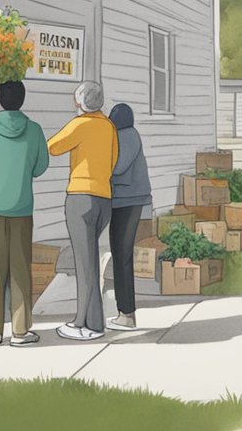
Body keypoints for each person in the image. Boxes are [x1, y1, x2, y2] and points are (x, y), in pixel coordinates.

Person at [0, 80, 49, 346]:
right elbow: (41, 167)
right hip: (21, 207)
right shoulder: (35, 130)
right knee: (19, 269)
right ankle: (20, 331)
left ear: (0, 100)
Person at [47, 80, 118, 341]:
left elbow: (52, 147)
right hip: (104, 198)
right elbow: (112, 161)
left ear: (80, 103)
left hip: (80, 197)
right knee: (91, 260)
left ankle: (80, 323)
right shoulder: (109, 127)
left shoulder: (80, 124)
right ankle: (95, 322)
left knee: (84, 263)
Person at [106, 102, 151, 332]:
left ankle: (127, 314)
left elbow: (118, 166)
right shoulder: (131, 134)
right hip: (129, 200)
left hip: (126, 201)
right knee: (120, 254)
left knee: (122, 255)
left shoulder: (126, 136)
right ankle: (125, 312)